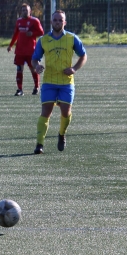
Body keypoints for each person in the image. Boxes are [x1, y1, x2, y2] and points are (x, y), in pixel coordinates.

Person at [31, 10, 87, 154]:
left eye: (60, 20)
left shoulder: (71, 38)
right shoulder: (43, 40)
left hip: (66, 82)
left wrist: (74, 68)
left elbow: (83, 56)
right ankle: (39, 144)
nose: (57, 22)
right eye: (55, 20)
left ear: (64, 22)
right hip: (49, 81)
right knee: (46, 112)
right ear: (51, 22)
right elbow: (34, 58)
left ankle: (62, 134)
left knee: (66, 111)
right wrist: (37, 66)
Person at [7, 3, 44, 96]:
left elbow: (41, 32)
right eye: (23, 10)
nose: (24, 12)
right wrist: (10, 45)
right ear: (21, 11)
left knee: (33, 69)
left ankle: (36, 87)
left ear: (30, 11)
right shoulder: (18, 21)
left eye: (26, 10)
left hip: (31, 50)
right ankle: (19, 89)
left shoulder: (34, 21)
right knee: (19, 69)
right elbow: (15, 34)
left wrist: (32, 33)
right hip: (20, 50)